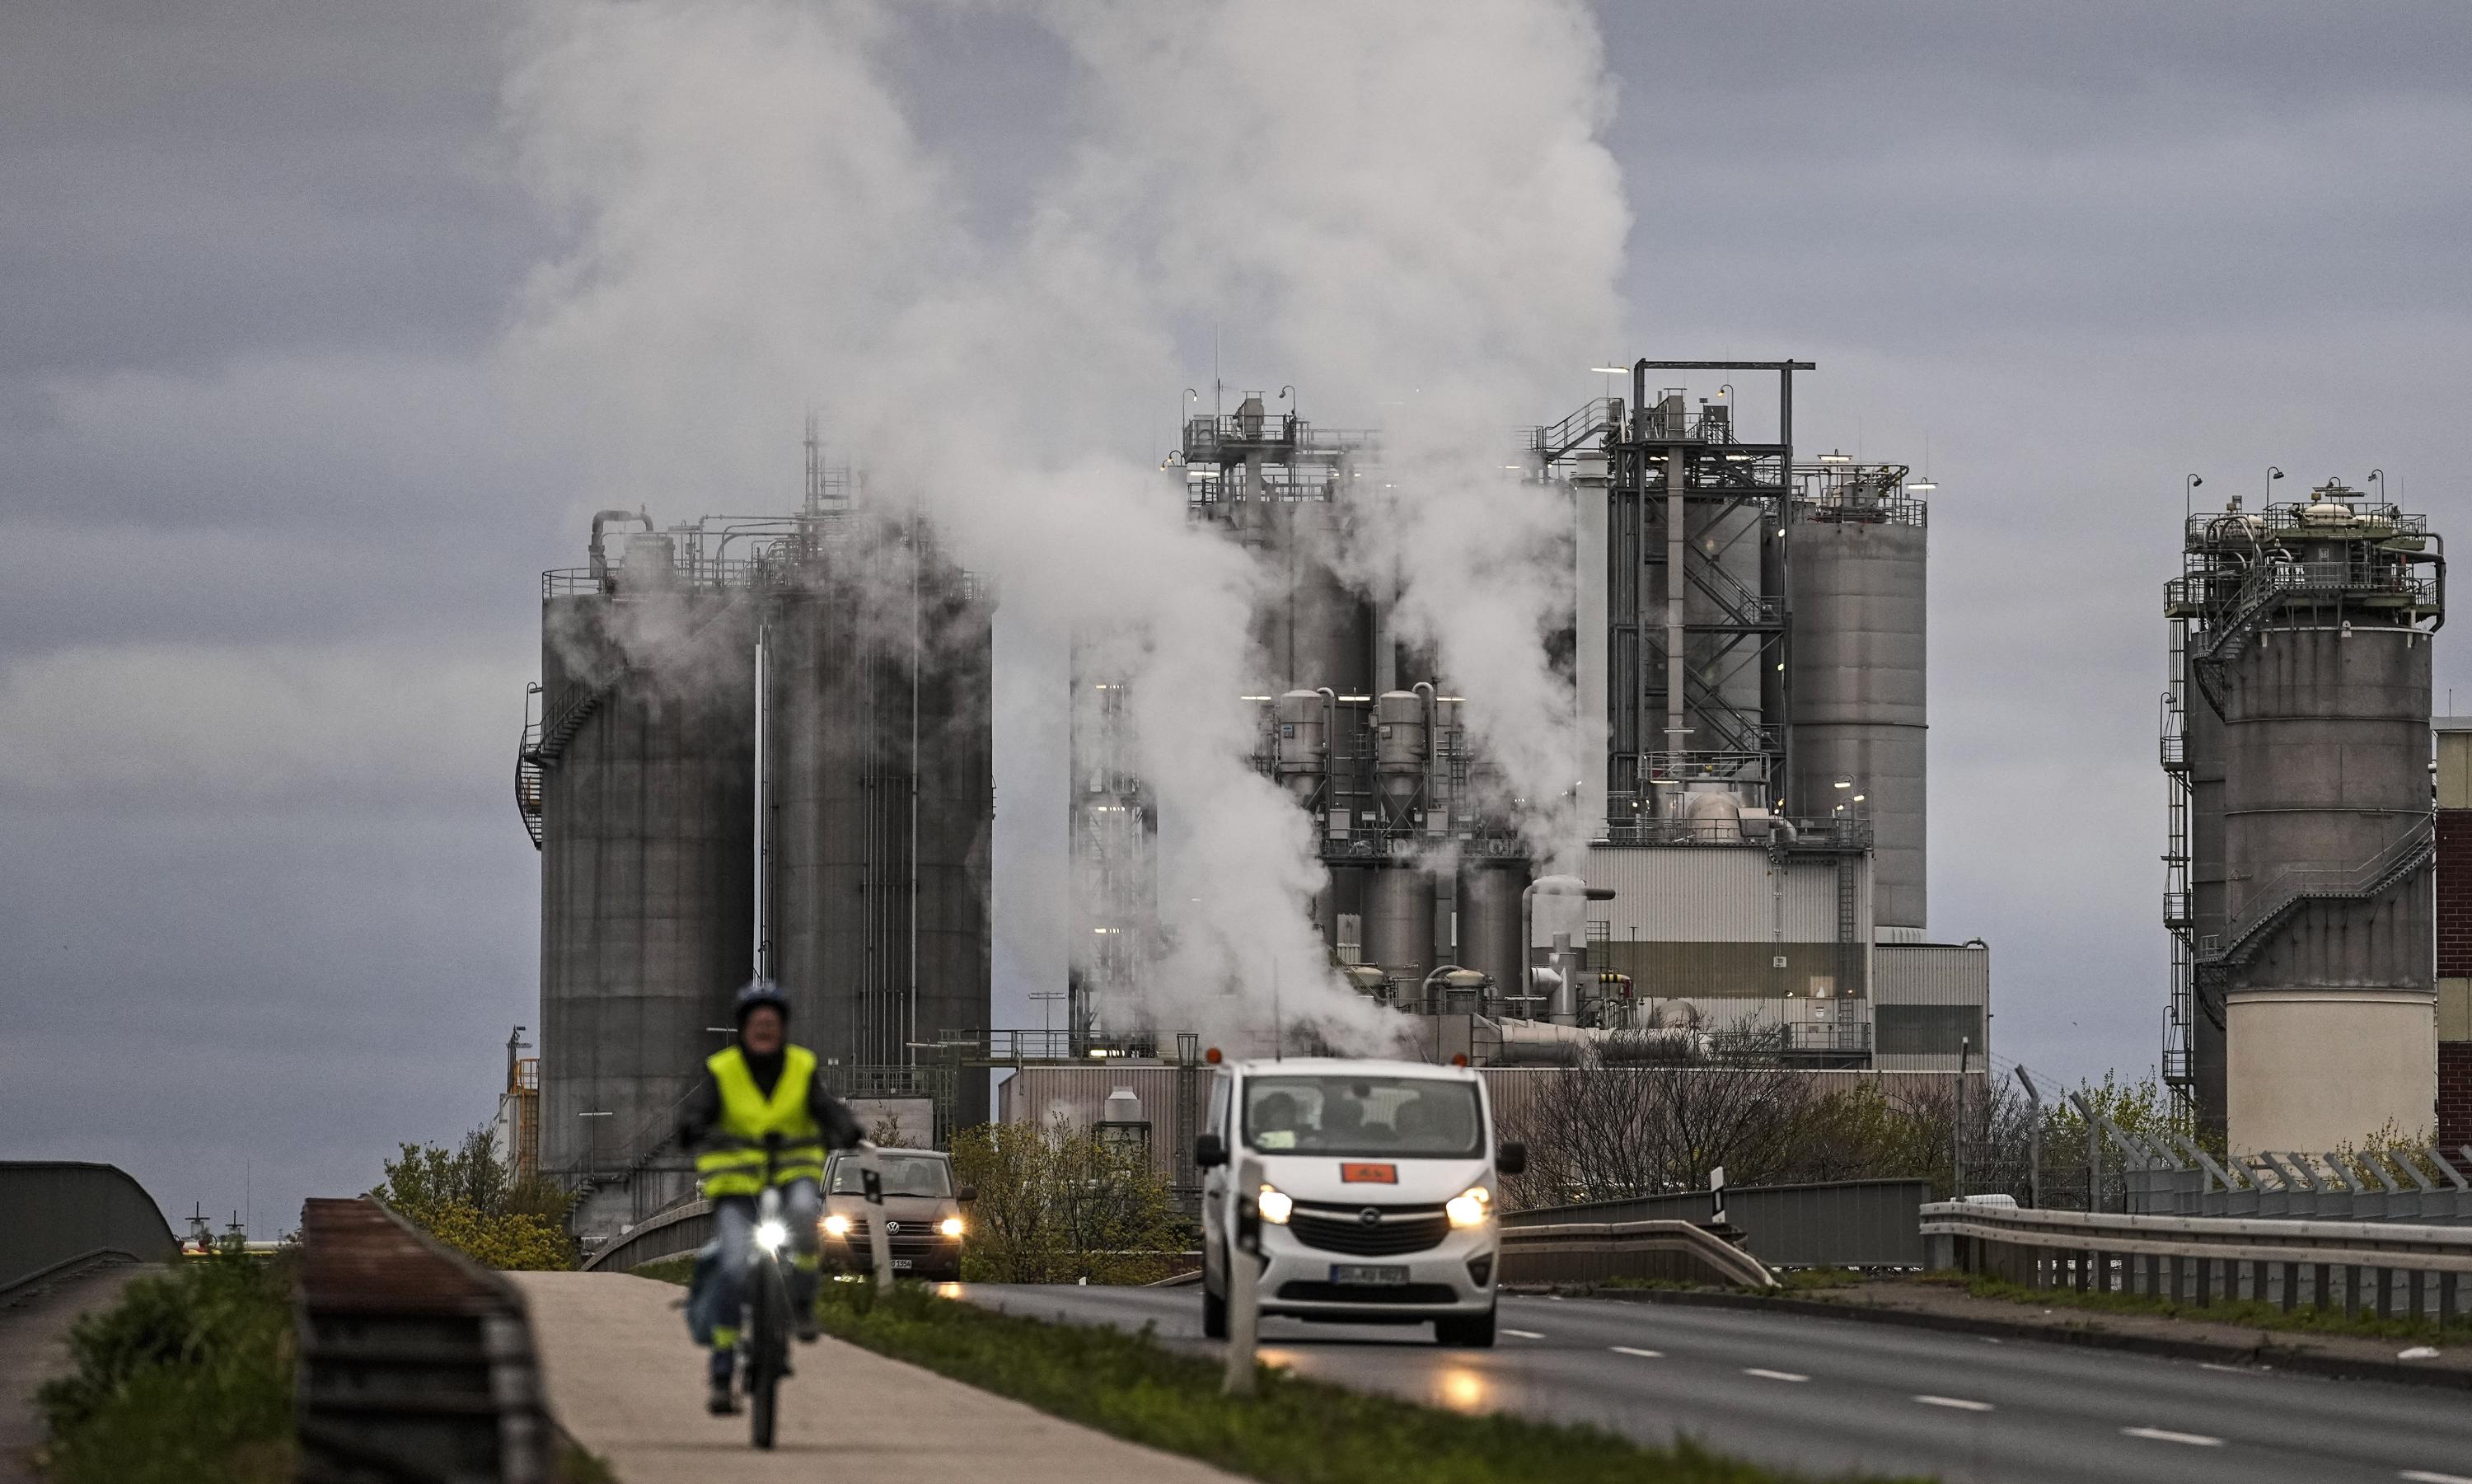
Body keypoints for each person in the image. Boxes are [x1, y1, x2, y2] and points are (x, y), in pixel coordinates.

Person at [677, 980, 866, 1415]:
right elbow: (699, 1110)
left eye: (772, 1021)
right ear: (743, 1027)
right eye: (757, 1022)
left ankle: (800, 1302)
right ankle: (722, 1372)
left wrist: (846, 1125)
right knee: (731, 1268)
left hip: (789, 1177)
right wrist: (692, 1125)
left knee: (804, 1215)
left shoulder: (801, 1067)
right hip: (737, 1190)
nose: (765, 1028)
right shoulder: (722, 1070)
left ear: (783, 1027)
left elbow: (824, 1106)